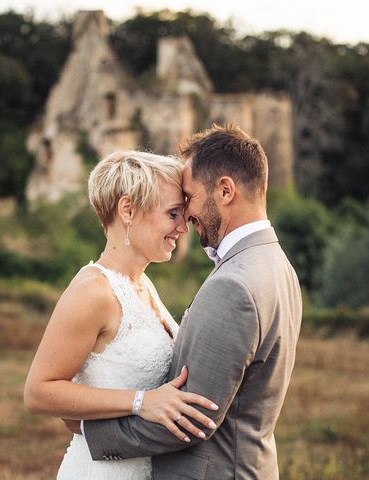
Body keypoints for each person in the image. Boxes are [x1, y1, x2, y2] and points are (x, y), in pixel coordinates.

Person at [79, 124, 303, 479]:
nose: (186, 215)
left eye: (190, 197)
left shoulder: (234, 284)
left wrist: (87, 433)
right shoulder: (276, 264)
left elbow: (192, 418)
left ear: (225, 190)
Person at [24, 150, 219, 480]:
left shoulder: (143, 283)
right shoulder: (93, 291)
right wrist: (141, 402)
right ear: (128, 209)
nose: (182, 229)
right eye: (173, 214)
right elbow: (38, 392)